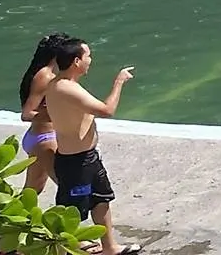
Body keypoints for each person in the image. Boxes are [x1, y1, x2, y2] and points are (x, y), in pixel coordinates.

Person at [40, 38, 138, 255]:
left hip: (88, 157)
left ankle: (109, 247)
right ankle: (65, 248)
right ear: (76, 61)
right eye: (88, 56)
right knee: (71, 210)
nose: (90, 60)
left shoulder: (64, 84)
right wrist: (119, 82)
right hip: (76, 162)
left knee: (101, 200)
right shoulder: (65, 87)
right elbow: (106, 110)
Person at [14, 34, 69, 208]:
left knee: (31, 191)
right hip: (45, 141)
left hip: (38, 138)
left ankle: (10, 220)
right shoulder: (44, 76)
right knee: (68, 187)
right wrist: (59, 115)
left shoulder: (44, 73)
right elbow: (27, 113)